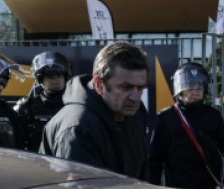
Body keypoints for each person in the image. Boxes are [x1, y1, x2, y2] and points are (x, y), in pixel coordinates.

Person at [40, 41, 148, 180]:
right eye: (126, 87)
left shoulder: (135, 113)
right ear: (99, 85)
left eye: (140, 88)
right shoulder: (77, 128)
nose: (135, 97)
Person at [148, 62, 224, 189]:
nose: (195, 92)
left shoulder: (213, 116)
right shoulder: (167, 118)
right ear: (180, 90)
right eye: (190, 87)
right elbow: (154, 160)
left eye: (199, 87)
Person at [14, 51, 71, 152]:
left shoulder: (74, 104)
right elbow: (17, 144)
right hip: (37, 160)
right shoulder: (26, 107)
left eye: (59, 76)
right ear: (41, 80)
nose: (55, 81)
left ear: (65, 77)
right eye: (50, 77)